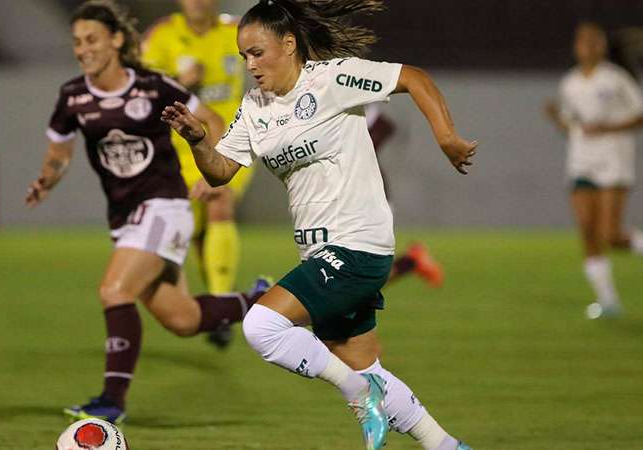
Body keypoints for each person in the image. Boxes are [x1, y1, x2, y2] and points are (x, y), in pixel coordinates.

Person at [162, 1, 477, 449]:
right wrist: (197, 141)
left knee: (261, 327)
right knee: (366, 367)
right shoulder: (255, 106)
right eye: (244, 56)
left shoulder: (331, 79)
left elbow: (413, 78)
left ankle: (359, 395)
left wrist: (446, 136)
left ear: (289, 44)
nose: (250, 65)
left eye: (258, 52)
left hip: (358, 245)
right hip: (321, 253)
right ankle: (444, 444)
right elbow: (221, 171)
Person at [26, 0, 269, 424]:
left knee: (113, 291)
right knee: (184, 318)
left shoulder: (154, 86)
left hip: (163, 206)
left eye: (92, 39)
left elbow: (211, 119)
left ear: (117, 40)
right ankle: (259, 299)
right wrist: (48, 179)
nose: (83, 49)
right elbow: (58, 152)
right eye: (77, 42)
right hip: (124, 218)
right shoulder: (73, 96)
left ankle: (111, 402)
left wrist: (215, 167)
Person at [544, 22, 643, 320]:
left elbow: (642, 119)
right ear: (576, 47)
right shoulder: (570, 83)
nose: (588, 47)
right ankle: (608, 301)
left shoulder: (617, 79)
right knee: (588, 232)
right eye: (583, 42)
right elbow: (572, 126)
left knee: (610, 235)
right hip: (580, 160)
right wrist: (555, 119)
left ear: (602, 46)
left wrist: (607, 127)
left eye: (594, 41)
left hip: (614, 159)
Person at [142, 0, 253, 296]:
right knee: (199, 234)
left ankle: (220, 299)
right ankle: (222, 295)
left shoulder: (237, 31)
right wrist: (180, 82)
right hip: (180, 150)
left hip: (231, 141)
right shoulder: (162, 35)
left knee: (220, 201)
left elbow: (273, 57)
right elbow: (142, 94)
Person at [365, 102, 444, 287]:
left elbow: (384, 126)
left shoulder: (363, 115)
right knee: (358, 279)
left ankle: (410, 261)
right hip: (359, 194)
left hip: (369, 197)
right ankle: (410, 261)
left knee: (359, 279)